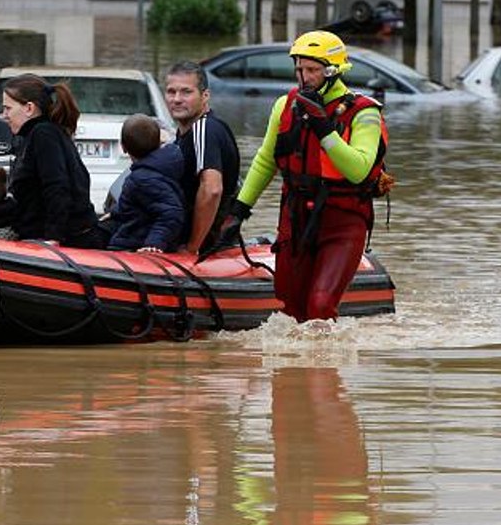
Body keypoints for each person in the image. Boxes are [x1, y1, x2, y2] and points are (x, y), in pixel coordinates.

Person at [217, 30, 390, 322]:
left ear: (333, 72)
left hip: (343, 223)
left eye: (313, 70)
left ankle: (325, 365)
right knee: (289, 309)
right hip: (296, 218)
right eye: (300, 69)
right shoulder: (285, 106)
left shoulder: (364, 113)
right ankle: (296, 368)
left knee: (320, 305)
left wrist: (324, 129)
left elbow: (358, 170)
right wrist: (239, 210)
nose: (304, 77)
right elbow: (265, 161)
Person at [0, 74, 105, 248]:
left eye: (8, 109)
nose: (4, 115)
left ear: (29, 108)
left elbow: (57, 185)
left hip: (67, 239)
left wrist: (54, 237)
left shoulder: (43, 135)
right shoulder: (38, 135)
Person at [162, 61, 241, 255]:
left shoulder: (204, 129)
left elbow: (212, 189)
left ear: (205, 96)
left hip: (203, 248)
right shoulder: (184, 135)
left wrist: (192, 247)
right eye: (171, 92)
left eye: (186, 92)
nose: (177, 99)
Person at [102, 114, 186, 253]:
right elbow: (141, 202)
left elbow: (171, 212)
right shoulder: (157, 170)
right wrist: (115, 212)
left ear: (123, 147)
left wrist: (154, 243)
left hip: (135, 242)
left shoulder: (142, 179)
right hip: (137, 234)